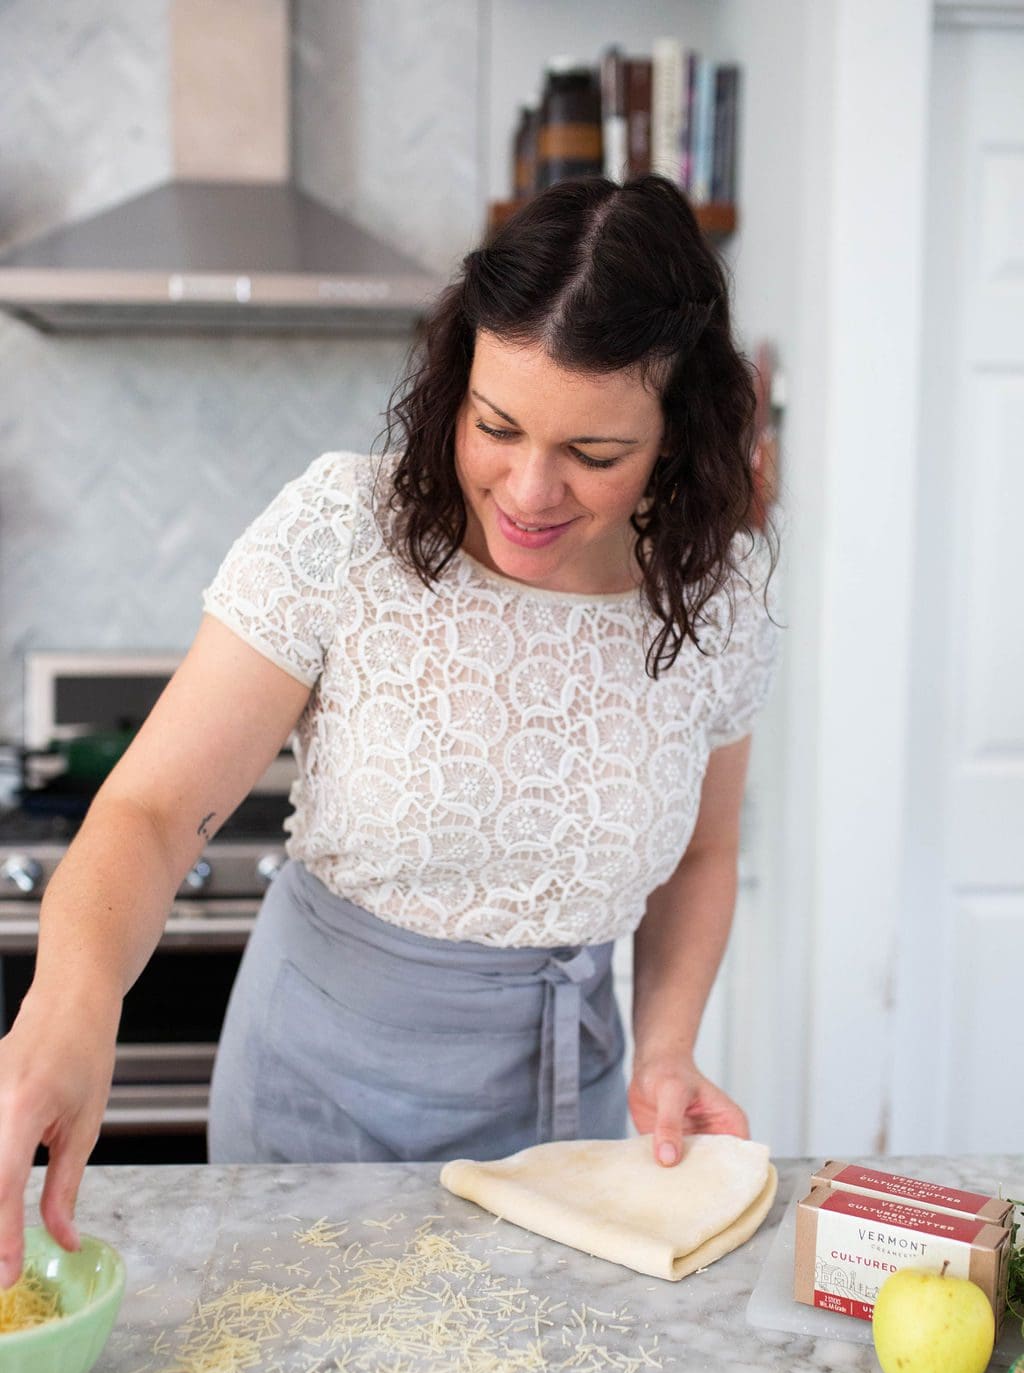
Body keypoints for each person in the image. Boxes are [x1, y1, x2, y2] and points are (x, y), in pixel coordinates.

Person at [0, 174, 778, 1288]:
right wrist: (70, 1006)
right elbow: (154, 808)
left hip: (572, 1119)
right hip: (318, 1105)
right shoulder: (343, 533)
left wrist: (662, 1048)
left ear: (677, 434)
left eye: (595, 455)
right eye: (495, 425)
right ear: (454, 382)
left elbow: (702, 851)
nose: (528, 487)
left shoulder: (716, 597)